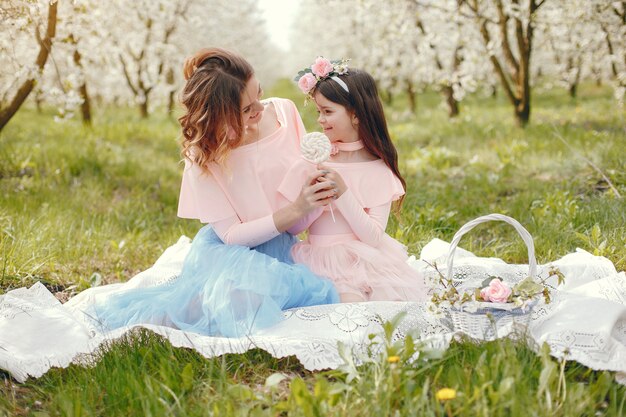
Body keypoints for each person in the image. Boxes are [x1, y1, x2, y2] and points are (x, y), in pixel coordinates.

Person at [92, 48, 339, 337]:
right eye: (246, 110)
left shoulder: (284, 111)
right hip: (231, 254)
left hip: (286, 243)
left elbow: (303, 183)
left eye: (258, 94)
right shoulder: (204, 153)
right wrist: (296, 209)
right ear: (218, 115)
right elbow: (231, 235)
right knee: (221, 310)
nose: (260, 109)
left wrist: (318, 195)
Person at [279, 58, 429, 303]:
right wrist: (311, 203)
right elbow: (293, 229)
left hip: (366, 259)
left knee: (387, 305)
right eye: (319, 112)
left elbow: (373, 237)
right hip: (317, 259)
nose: (320, 120)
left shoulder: (377, 169)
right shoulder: (311, 163)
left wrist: (343, 192)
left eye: (328, 112)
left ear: (356, 115)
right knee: (348, 306)